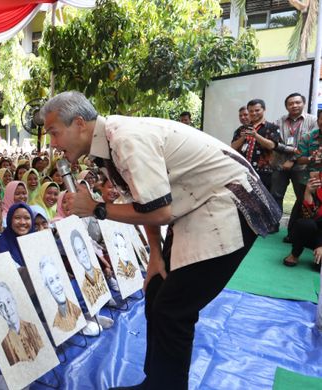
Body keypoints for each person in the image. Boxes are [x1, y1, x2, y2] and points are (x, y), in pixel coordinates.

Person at [44, 91, 280, 389]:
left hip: (229, 203)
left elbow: (158, 210)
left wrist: (96, 209)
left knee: (174, 307)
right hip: (195, 206)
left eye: (54, 133)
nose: (53, 144)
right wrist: (155, 254)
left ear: (79, 123)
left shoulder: (125, 139)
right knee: (157, 288)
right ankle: (156, 380)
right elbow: (143, 199)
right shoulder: (106, 147)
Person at [272, 93, 317, 239]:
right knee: (276, 195)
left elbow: (309, 145)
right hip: (280, 165)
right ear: (286, 106)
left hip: (302, 168)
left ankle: (294, 232)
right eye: (291, 103)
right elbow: (276, 142)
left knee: (301, 199)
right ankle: (274, 224)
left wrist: (292, 158)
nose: (294, 105)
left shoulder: (313, 120)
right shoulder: (279, 121)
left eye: (297, 102)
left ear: (303, 103)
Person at [230, 98, 282, 190]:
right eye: (251, 111)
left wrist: (255, 135)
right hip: (243, 170)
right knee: (244, 199)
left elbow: (272, 146)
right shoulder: (242, 129)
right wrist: (243, 137)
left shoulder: (272, 127)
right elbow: (233, 147)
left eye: (257, 110)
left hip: (263, 172)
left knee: (263, 201)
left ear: (264, 109)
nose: (254, 113)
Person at [0, 281, 43, 366]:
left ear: (14, 301)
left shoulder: (34, 328)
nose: (7, 309)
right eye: (1, 306)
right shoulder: (5, 345)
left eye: (8, 302)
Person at [282, 173, 322, 271]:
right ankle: (295, 254)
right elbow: (307, 218)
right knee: (306, 224)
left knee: (318, 267)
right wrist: (308, 192)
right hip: (308, 231)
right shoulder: (314, 183)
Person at [38, 257, 83, 333]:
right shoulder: (55, 321)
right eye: (51, 282)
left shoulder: (76, 308)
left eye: (57, 278)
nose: (57, 285)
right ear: (46, 287)